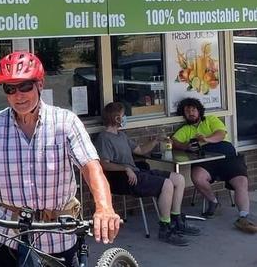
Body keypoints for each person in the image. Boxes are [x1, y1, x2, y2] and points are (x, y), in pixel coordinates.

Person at [0, 51, 120, 267]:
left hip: (57, 236)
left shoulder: (65, 122)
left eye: (25, 86)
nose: (19, 95)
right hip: (8, 236)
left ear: (40, 84)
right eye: (10, 88)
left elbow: (91, 168)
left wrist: (104, 208)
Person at [95, 102, 200, 246]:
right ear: (116, 118)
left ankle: (177, 220)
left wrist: (156, 140)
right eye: (123, 115)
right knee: (167, 184)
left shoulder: (121, 135)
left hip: (136, 172)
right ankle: (165, 227)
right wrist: (125, 168)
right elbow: (104, 163)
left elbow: (140, 150)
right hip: (123, 179)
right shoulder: (104, 138)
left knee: (178, 179)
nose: (125, 118)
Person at [172, 97, 257, 234]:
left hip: (227, 157)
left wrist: (206, 140)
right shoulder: (186, 129)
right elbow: (173, 142)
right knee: (197, 176)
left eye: (193, 110)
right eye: (187, 111)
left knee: (241, 182)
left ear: (199, 111)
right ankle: (214, 202)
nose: (191, 113)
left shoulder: (211, 119)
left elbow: (221, 134)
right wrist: (185, 146)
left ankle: (243, 217)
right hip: (206, 161)